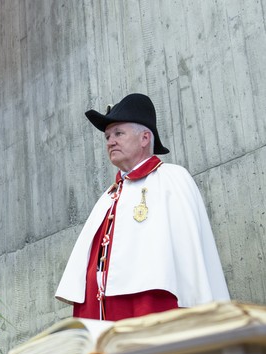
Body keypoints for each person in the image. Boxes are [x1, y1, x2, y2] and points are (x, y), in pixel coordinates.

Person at [55, 93, 230, 321]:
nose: (110, 141)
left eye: (118, 133)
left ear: (145, 138)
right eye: (107, 136)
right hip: (102, 311)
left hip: (150, 305)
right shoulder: (108, 196)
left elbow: (188, 254)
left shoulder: (171, 178)